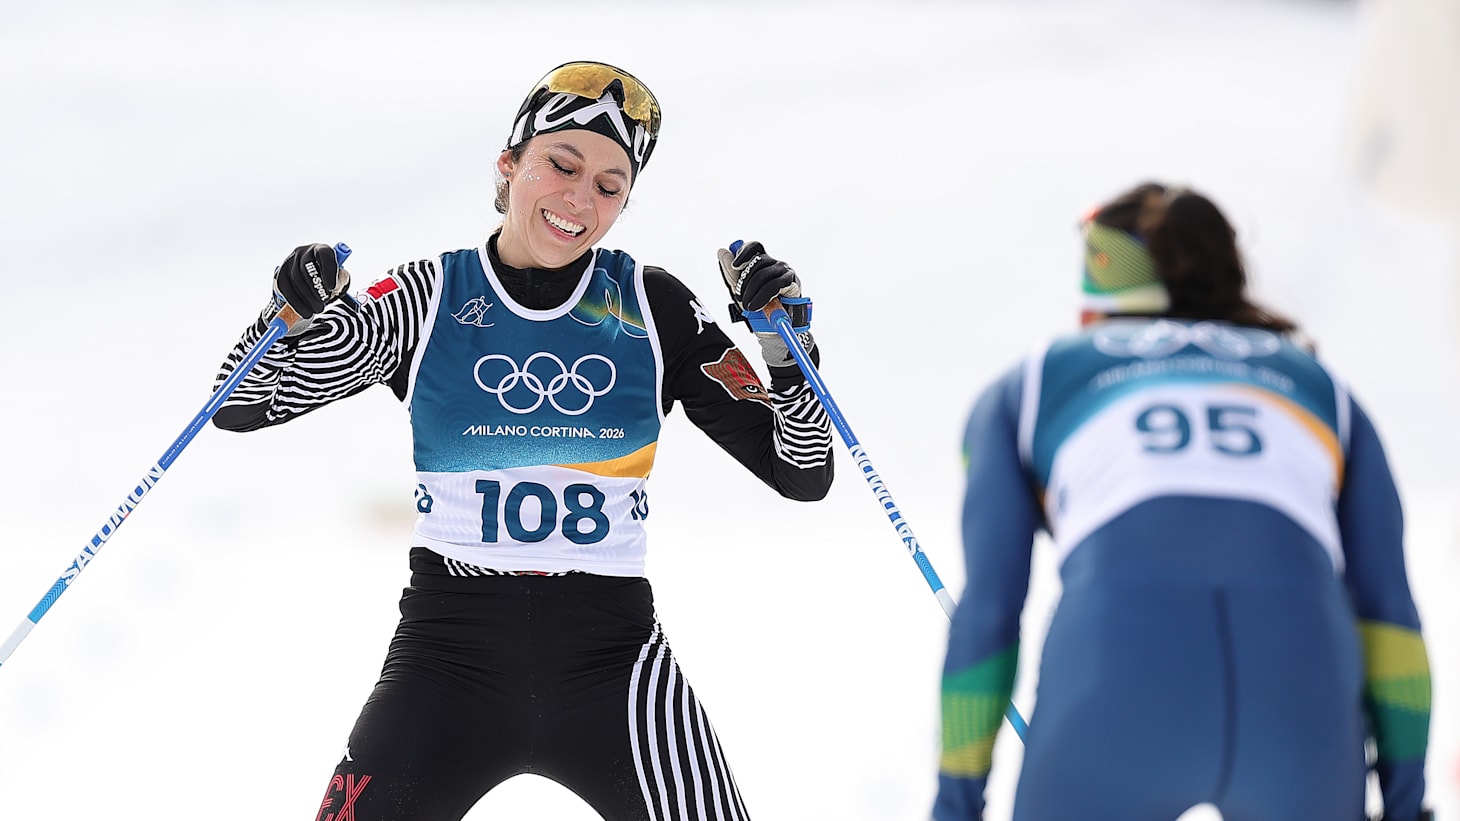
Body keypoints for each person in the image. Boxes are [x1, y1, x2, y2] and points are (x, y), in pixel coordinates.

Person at [210, 61, 834, 820]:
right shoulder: (425, 298)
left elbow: (803, 471)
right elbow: (239, 404)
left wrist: (788, 354)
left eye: (609, 186)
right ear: (510, 165)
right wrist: (286, 313)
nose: (579, 199)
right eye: (562, 165)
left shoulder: (653, 306)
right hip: (447, 655)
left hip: (615, 660)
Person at [934, 182, 1433, 820]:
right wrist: (1406, 802)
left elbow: (988, 616)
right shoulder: (1320, 385)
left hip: (1112, 697)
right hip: (1300, 708)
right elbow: (1391, 619)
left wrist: (955, 805)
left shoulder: (1034, 380)